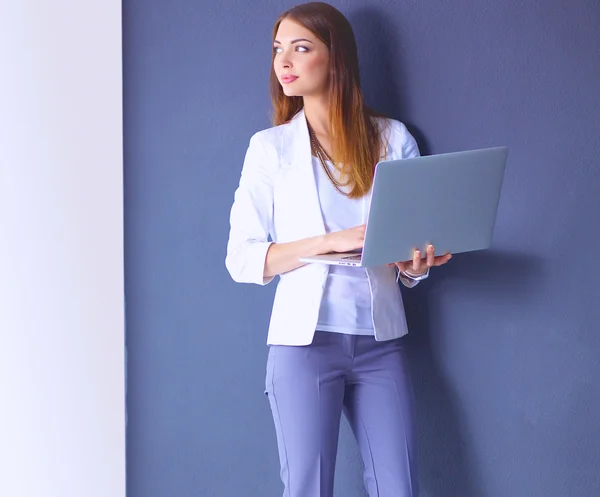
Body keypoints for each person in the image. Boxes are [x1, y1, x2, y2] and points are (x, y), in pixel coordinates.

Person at [225, 2, 452, 496]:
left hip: (380, 343)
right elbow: (242, 258)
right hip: (304, 347)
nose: (284, 61)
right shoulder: (270, 148)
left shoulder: (393, 139)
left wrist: (415, 264)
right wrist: (330, 242)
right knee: (308, 488)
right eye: (278, 49)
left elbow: (407, 254)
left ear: (337, 59)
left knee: (399, 487)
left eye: (301, 48)